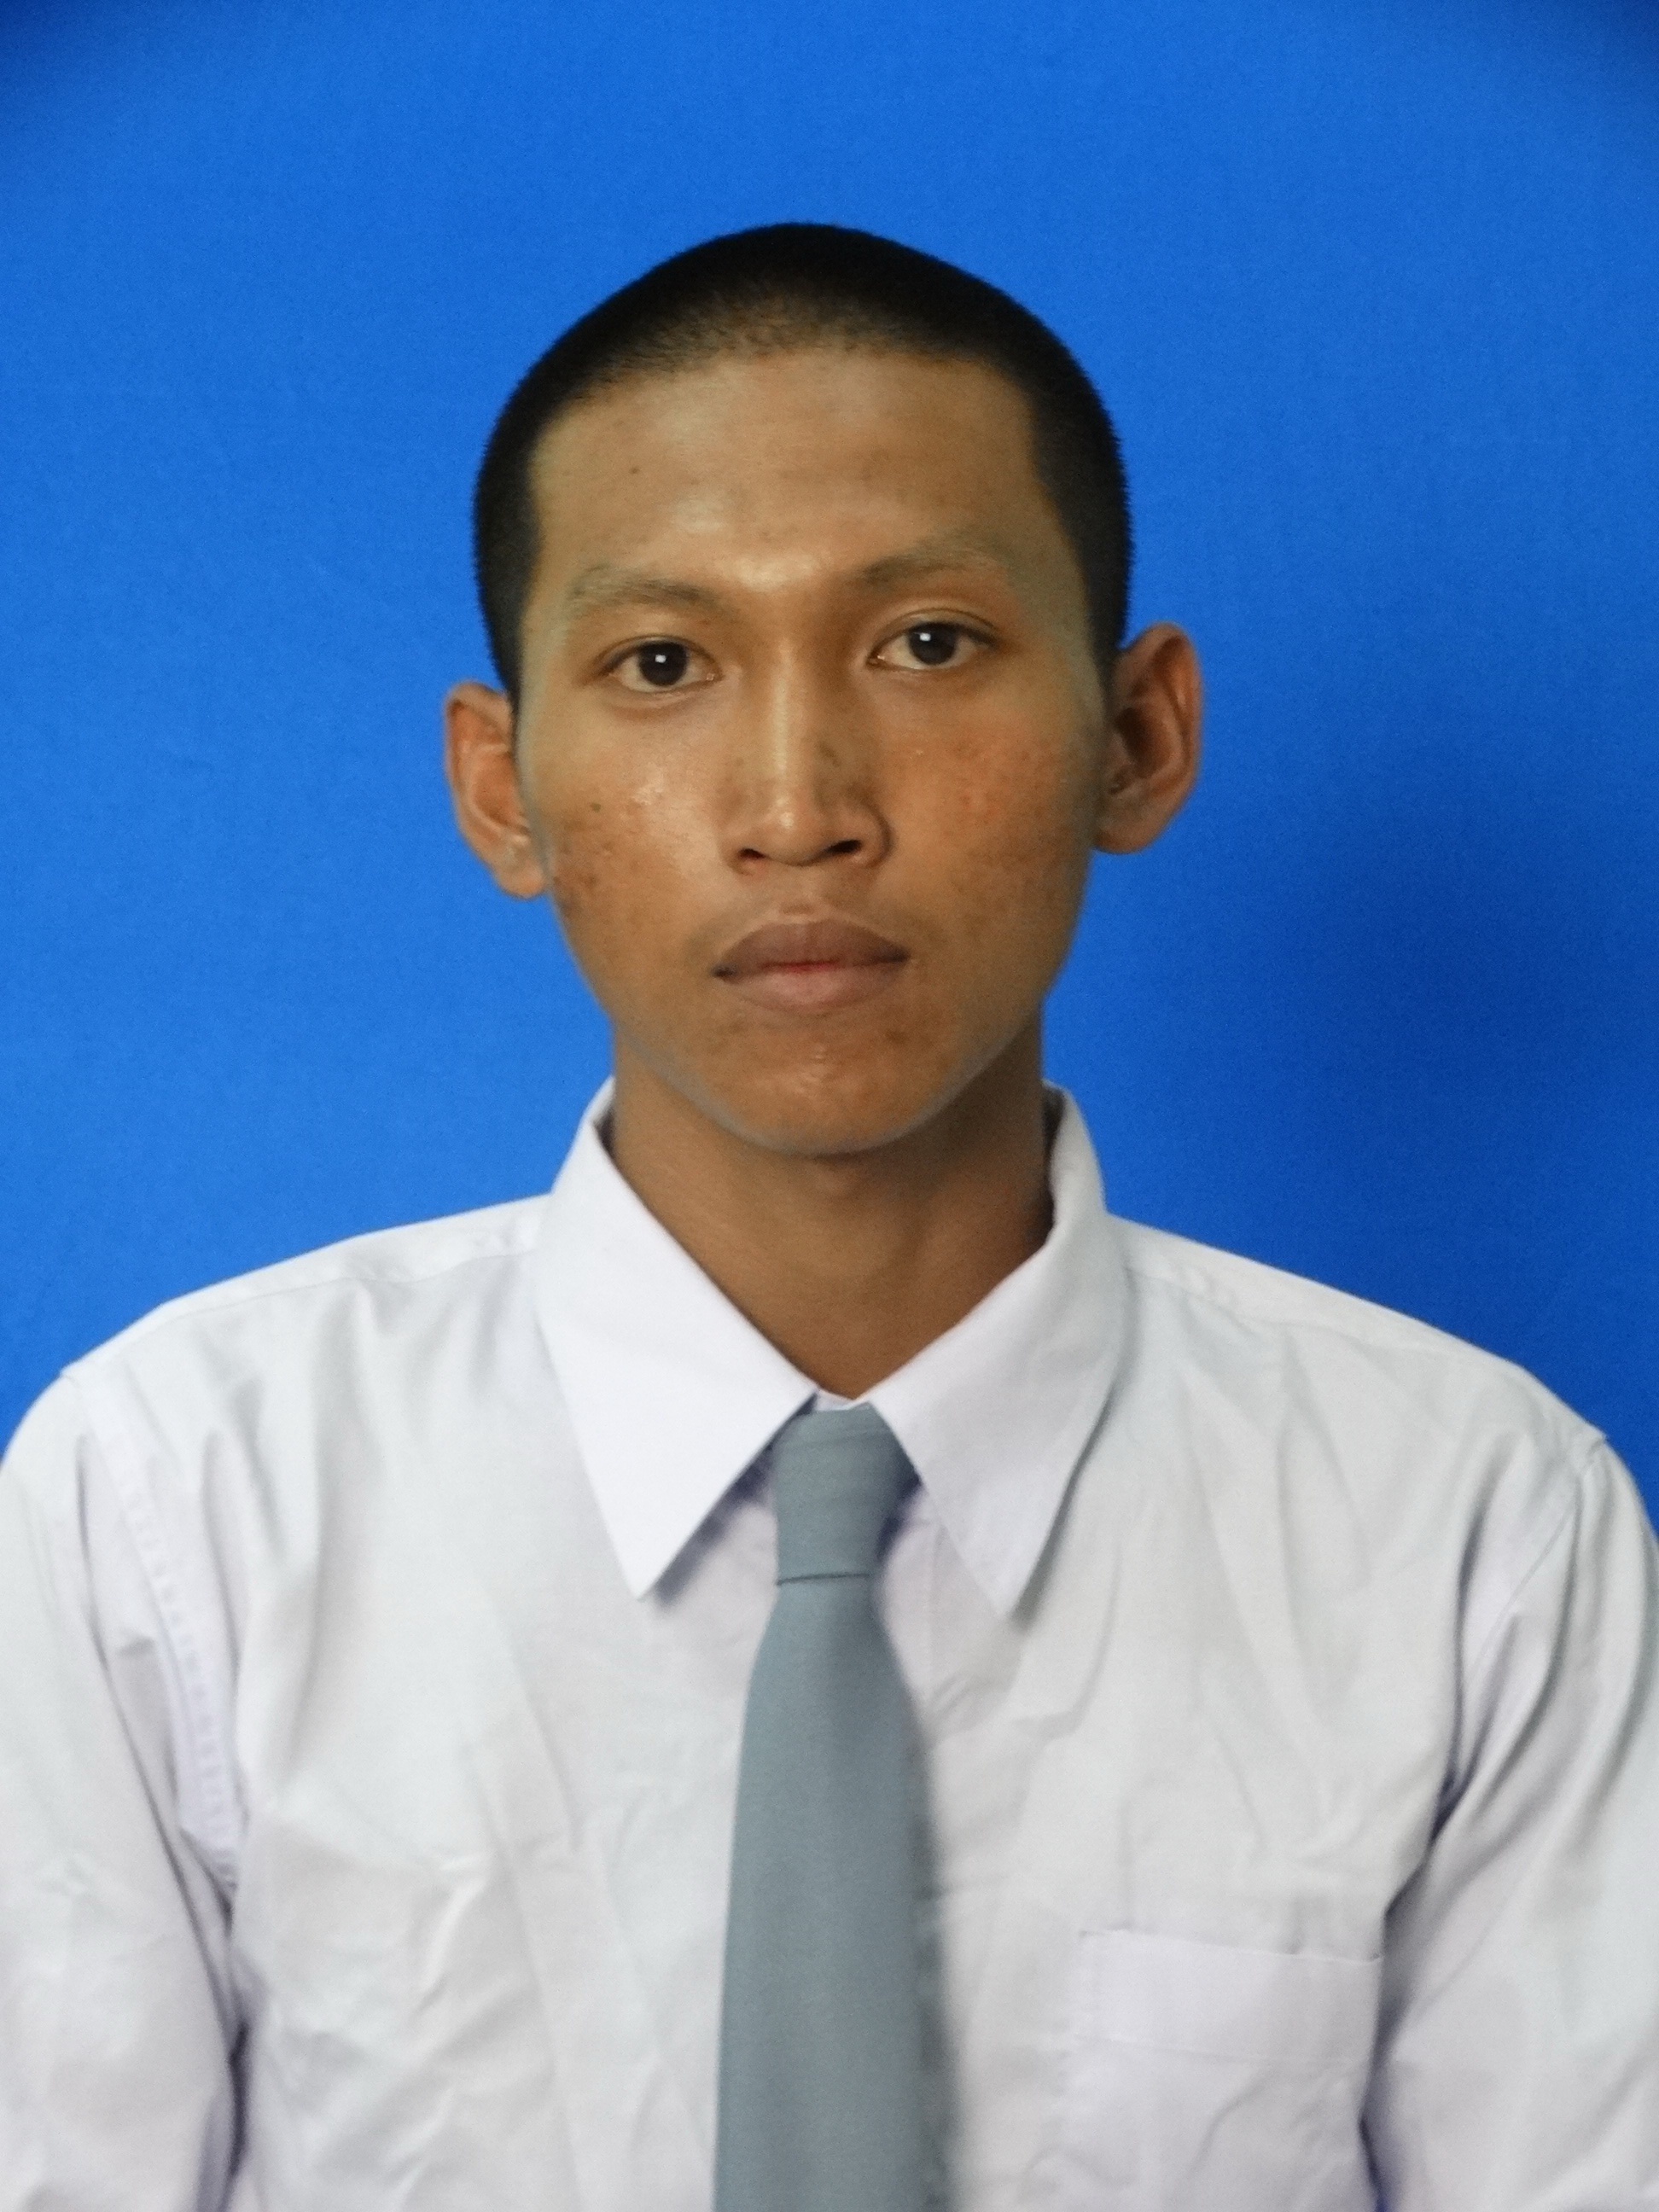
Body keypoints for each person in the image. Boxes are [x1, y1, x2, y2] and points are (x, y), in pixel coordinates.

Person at [1, 223, 1655, 2212]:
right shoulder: (171, 1506)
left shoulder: (1474, 1533)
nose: (798, 806)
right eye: (663, 664)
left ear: (1138, 736)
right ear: (501, 788)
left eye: (928, 644)